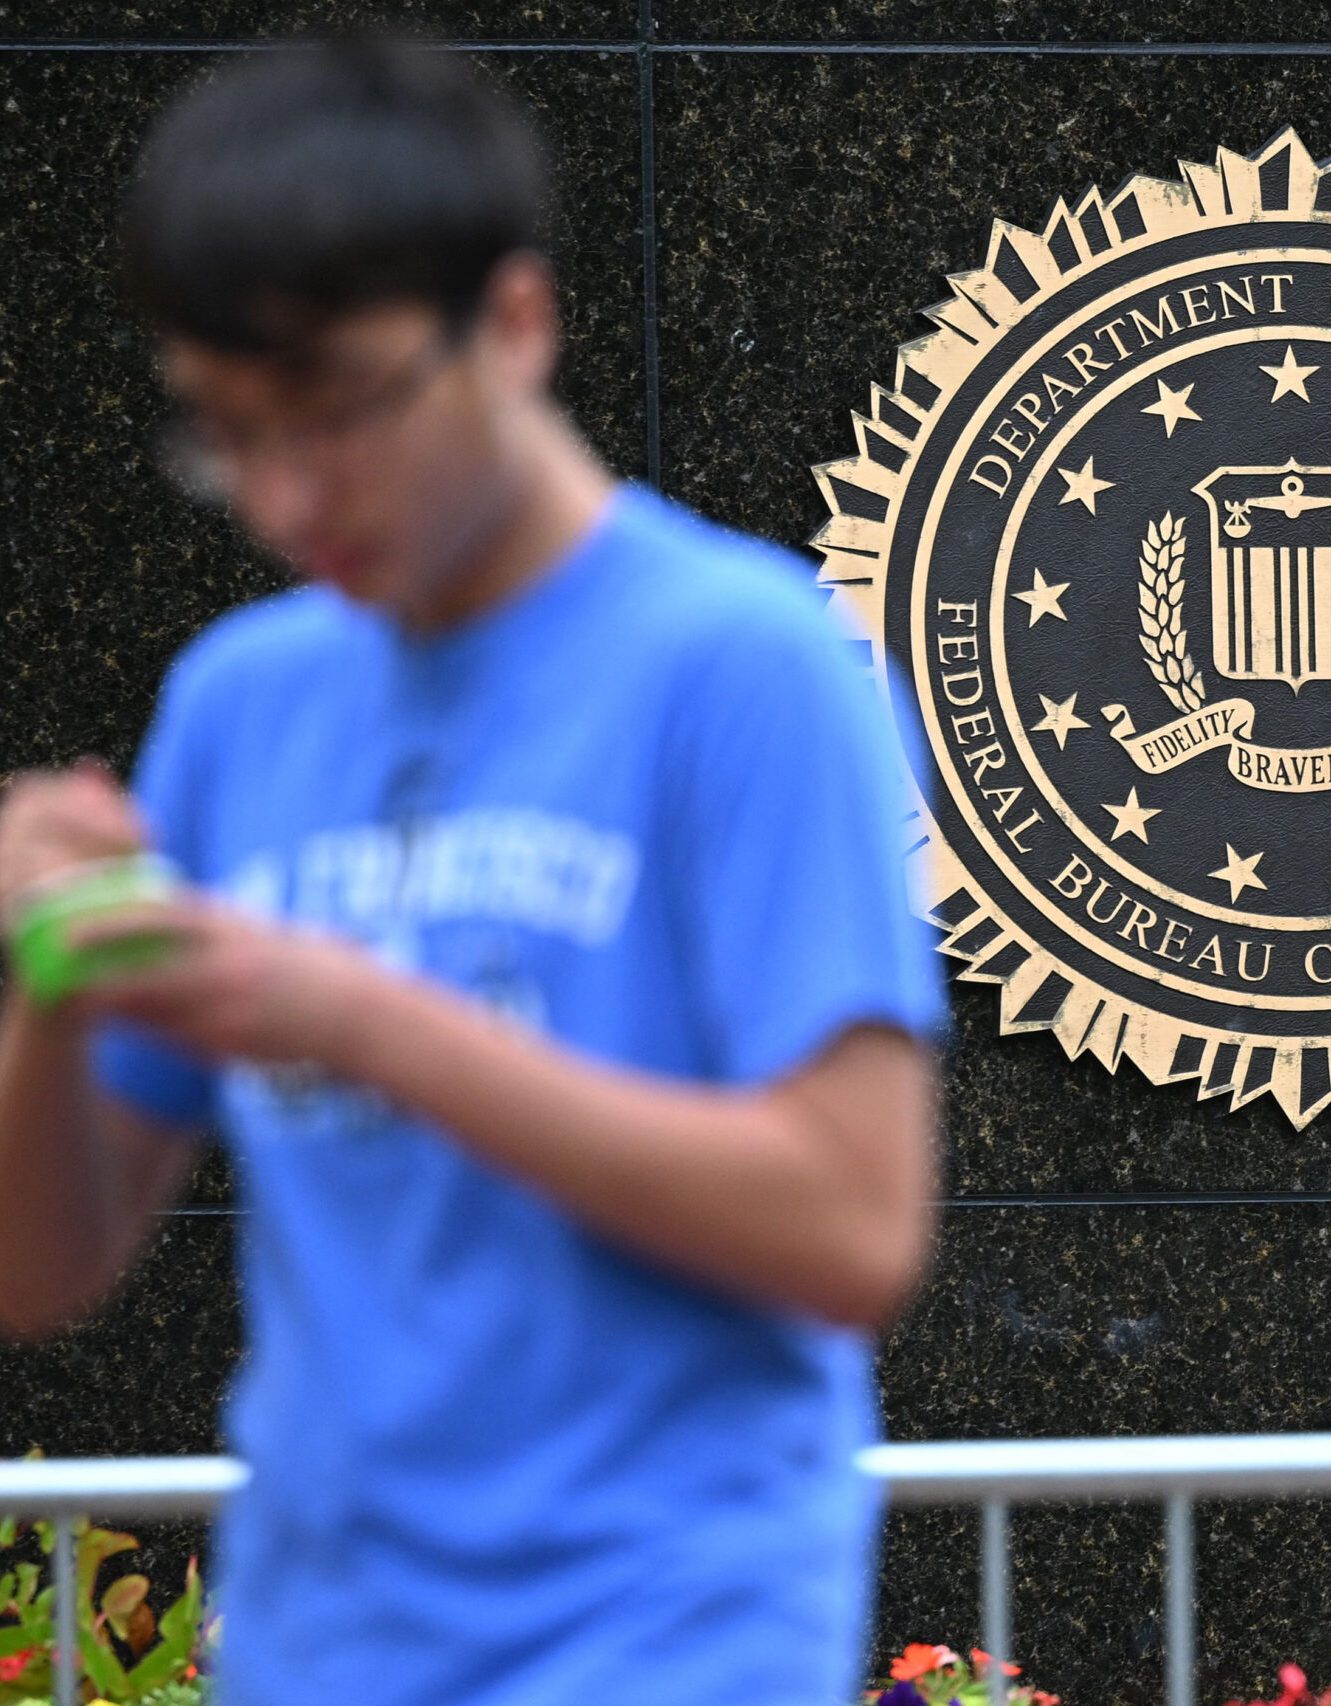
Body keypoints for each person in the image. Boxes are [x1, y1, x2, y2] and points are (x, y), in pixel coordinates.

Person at [0, 37, 943, 1706]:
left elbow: (855, 1222)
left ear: (512, 324)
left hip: (666, 1645)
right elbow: (38, 1270)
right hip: (318, 1646)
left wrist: (365, 1019)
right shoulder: (240, 699)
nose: (288, 495)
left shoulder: (750, 664)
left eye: (339, 412)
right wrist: (43, 982)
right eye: (226, 434)